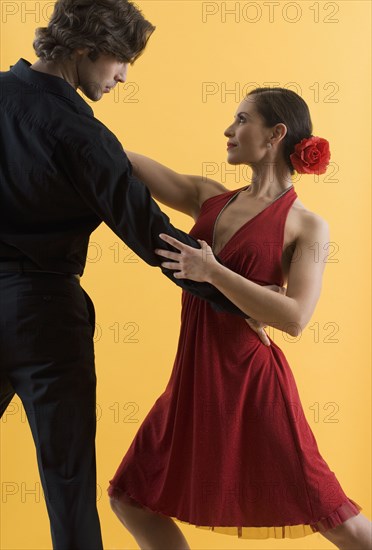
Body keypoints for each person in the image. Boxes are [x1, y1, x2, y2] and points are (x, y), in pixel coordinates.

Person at [0, 1, 271, 548]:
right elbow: (155, 239)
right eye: (120, 61)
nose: (123, 76)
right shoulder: (83, 135)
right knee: (68, 478)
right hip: (44, 318)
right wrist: (239, 301)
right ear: (85, 49)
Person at [108, 88, 372, 550]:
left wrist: (212, 271)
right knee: (130, 497)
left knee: (337, 519)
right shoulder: (208, 197)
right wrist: (67, 118)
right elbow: (122, 160)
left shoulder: (307, 225)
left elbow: (295, 317)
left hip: (253, 385)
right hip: (192, 380)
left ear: (276, 134)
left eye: (242, 119)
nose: (229, 131)